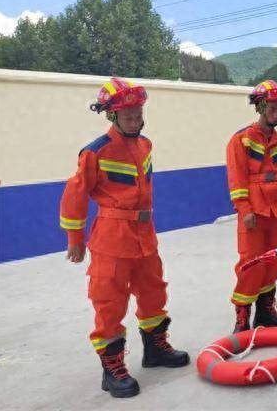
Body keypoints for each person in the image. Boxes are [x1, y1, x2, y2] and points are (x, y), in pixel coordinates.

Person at [60, 78, 189, 399]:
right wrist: (74, 238)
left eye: (138, 112)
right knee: (109, 301)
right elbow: (74, 195)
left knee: (153, 291)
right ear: (111, 115)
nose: (135, 118)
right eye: (127, 114)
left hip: (145, 235)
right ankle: (112, 369)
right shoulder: (95, 152)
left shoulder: (145, 145)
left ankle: (155, 349)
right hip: (112, 238)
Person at [226, 79, 277, 333]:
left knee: (274, 261)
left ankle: (265, 312)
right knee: (251, 263)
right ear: (261, 108)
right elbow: (237, 178)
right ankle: (242, 318)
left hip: (276, 210)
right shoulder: (241, 140)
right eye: (273, 108)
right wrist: (244, 209)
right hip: (254, 211)